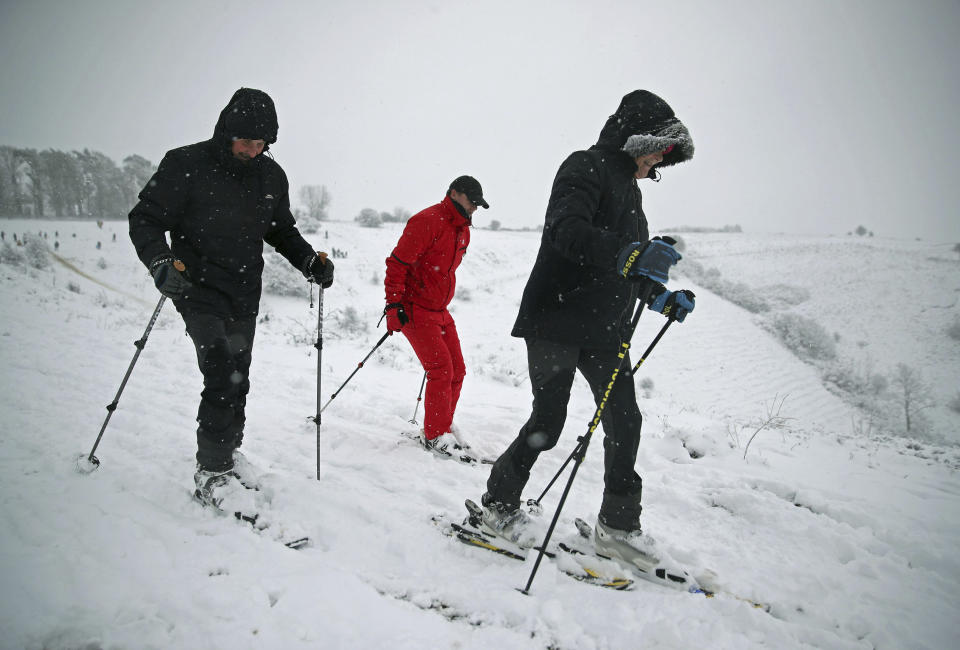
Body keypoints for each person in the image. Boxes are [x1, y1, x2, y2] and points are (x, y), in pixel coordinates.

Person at [476, 90, 696, 571]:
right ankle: (498, 503)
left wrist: (660, 297)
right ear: (638, 139)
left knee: (625, 421)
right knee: (548, 423)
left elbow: (631, 267)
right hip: (556, 318)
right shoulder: (584, 166)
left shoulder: (634, 197)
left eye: (668, 153)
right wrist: (627, 254)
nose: (663, 158)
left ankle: (617, 527)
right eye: (660, 146)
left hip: (604, 328)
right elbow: (566, 230)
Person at [128, 88, 334, 515]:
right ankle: (212, 470)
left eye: (261, 144)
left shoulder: (270, 177)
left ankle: (228, 451)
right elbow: (145, 218)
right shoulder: (186, 164)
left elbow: (280, 231)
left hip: (244, 290)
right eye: (244, 140)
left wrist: (309, 262)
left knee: (238, 373)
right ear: (225, 131)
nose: (252, 149)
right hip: (195, 286)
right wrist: (160, 261)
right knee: (221, 368)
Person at [383, 176, 489, 458]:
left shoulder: (463, 230)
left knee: (458, 369)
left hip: (440, 310)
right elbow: (397, 263)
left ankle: (442, 427)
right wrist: (394, 305)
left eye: (479, 205)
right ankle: (435, 436)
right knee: (442, 369)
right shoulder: (427, 221)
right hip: (415, 308)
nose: (475, 209)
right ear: (454, 193)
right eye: (472, 202)